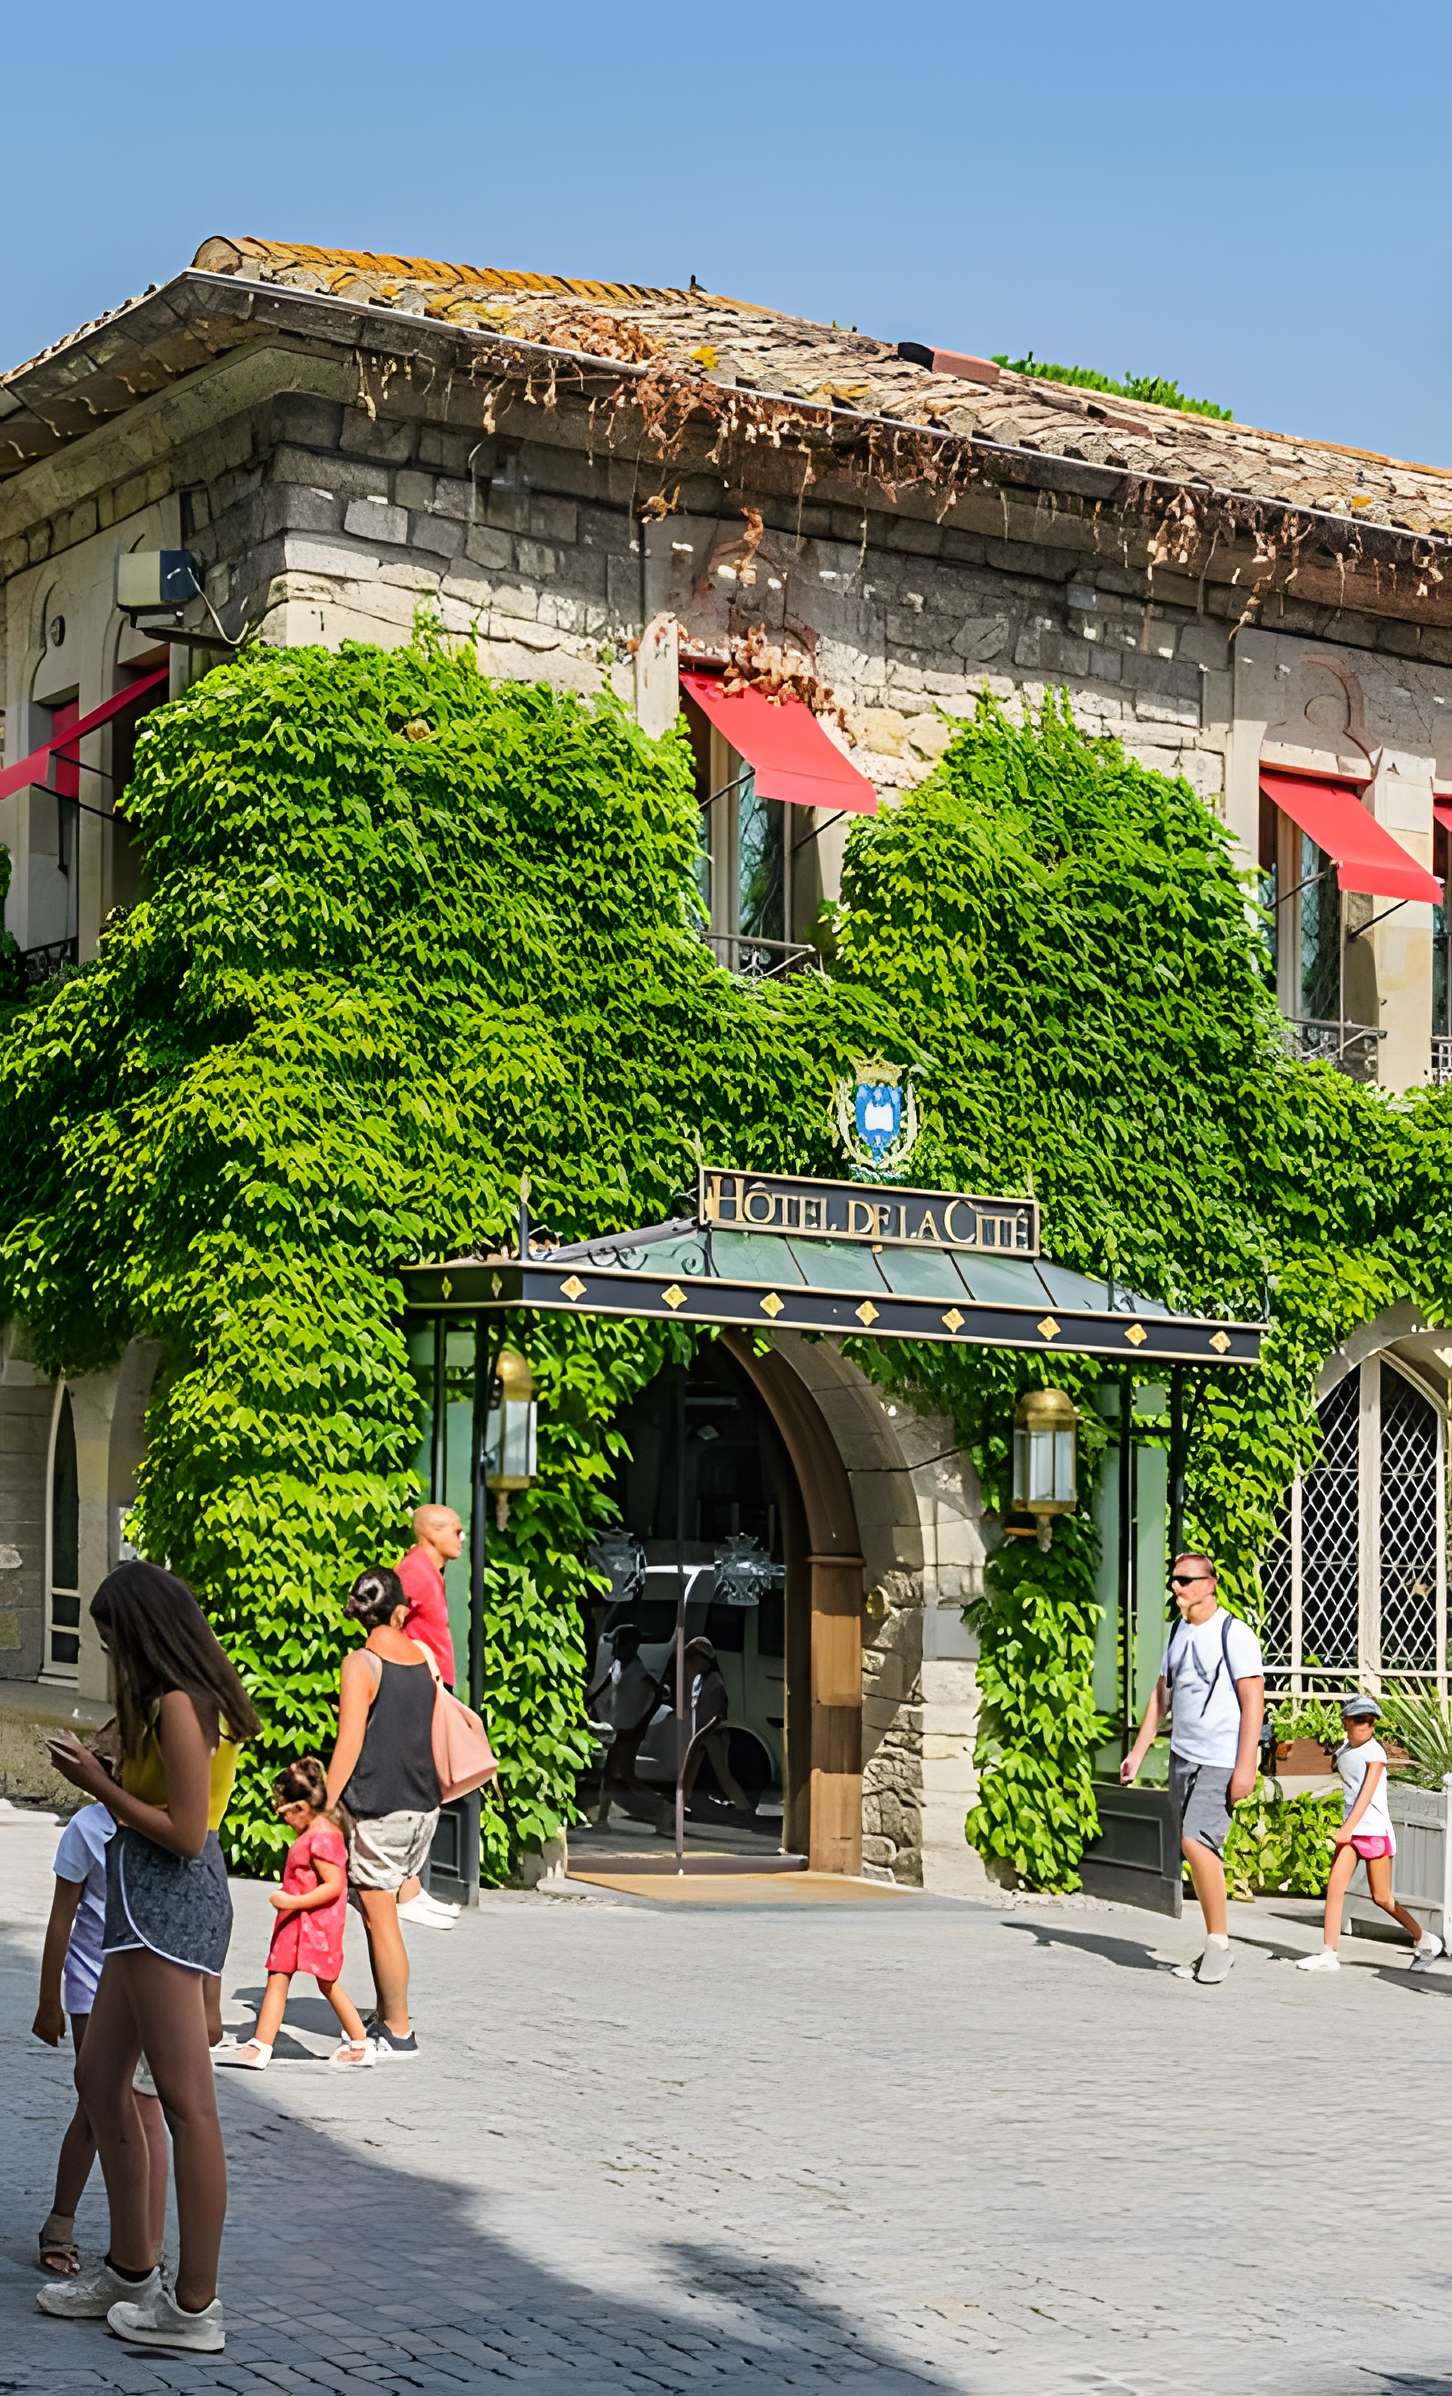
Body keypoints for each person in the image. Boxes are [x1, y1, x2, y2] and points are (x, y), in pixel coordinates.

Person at [36, 1560, 259, 2357]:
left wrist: (99, 1784)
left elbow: (187, 1831)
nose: (105, 1650)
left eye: (109, 1637)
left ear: (141, 1633)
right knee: (100, 2081)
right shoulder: (163, 1702)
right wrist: (104, 1755)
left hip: (169, 1902)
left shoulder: (180, 1703)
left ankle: (193, 2304)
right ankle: (132, 2269)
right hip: (138, 1906)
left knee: (187, 2106)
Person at [32, 1791, 170, 2277]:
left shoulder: (165, 1821)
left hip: (154, 1984)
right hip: (93, 1984)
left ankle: (146, 2247)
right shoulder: (87, 1829)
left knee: (150, 2108)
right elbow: (61, 1919)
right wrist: (50, 2000)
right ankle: (60, 2225)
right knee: (97, 2107)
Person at [1121, 1552, 1264, 1987]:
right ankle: (1212, 1944)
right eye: (1174, 1580)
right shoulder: (1178, 1631)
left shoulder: (1233, 1634)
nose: (1176, 1587)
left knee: (1196, 1842)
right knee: (1195, 1851)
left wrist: (1246, 1766)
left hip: (1221, 1758)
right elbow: (1161, 1694)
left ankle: (1219, 1945)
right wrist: (1139, 1751)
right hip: (1184, 1755)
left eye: (1185, 1580)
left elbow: (1253, 1701)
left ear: (1209, 1583)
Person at [325, 1566, 442, 2060]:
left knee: (379, 1919)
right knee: (381, 1906)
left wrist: (323, 1805)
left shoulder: (361, 1664)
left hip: (381, 1810)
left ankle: (397, 2028)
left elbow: (350, 1743)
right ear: (398, 1611)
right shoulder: (424, 1657)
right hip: (422, 1806)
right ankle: (386, 2009)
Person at [215, 1758, 373, 2066]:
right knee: (278, 1975)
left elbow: (334, 1885)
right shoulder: (317, 1831)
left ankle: (360, 2042)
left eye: (284, 1810)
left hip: (314, 1923)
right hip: (297, 1922)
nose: (280, 1815)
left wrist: (292, 1902)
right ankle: (261, 2044)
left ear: (302, 1808)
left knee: (326, 1981)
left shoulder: (323, 1836)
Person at [1296, 1695, 1443, 1973]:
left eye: (1371, 1722)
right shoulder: (1345, 1749)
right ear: (1347, 1722)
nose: (1367, 1726)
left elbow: (1366, 1795)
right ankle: (1328, 1954)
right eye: (1361, 1720)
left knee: (1382, 1898)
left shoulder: (1375, 1753)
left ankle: (1425, 1939)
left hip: (1373, 1831)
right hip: (1353, 1831)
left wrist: (1346, 1829)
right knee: (1335, 1888)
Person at [393, 1505, 464, 1930]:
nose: (461, 1536)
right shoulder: (415, 1571)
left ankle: (412, 1888)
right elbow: (388, 1620)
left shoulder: (427, 1571)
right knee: (418, 1785)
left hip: (431, 1687)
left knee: (427, 1784)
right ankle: (405, 1890)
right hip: (421, 1689)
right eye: (455, 1530)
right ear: (432, 1532)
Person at [657, 1636, 752, 1834]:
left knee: (723, 1775)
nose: (690, 1663)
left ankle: (745, 1810)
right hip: (701, 1735)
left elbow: (718, 1716)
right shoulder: (699, 1680)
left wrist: (701, 1735)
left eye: (693, 1658)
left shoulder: (715, 1682)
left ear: (704, 1658)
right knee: (688, 1773)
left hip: (712, 1735)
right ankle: (681, 1806)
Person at [586, 1622, 662, 1828]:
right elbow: (603, 1687)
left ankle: (664, 1808)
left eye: (619, 1645)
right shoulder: (617, 1665)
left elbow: (658, 1695)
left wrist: (643, 1722)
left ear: (632, 1646)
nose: (614, 1649)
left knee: (626, 1776)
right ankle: (601, 1819)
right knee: (609, 1775)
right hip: (617, 1728)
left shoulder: (639, 1671)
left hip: (630, 1729)